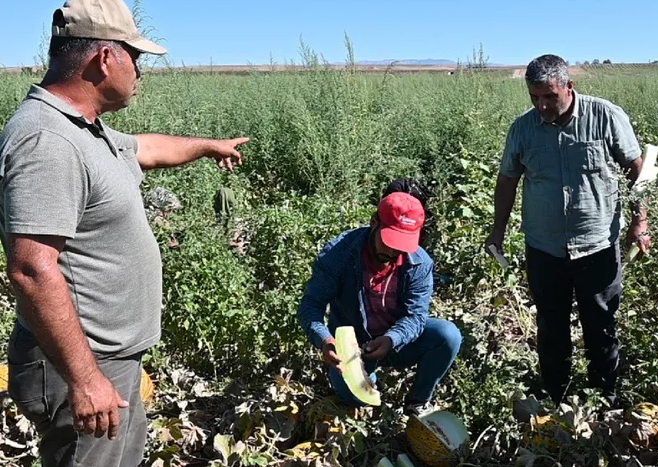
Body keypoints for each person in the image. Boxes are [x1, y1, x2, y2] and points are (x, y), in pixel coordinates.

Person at [0, 1, 249, 466]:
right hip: (82, 362)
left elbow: (148, 148)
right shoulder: (47, 140)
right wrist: (85, 378)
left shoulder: (85, 130)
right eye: (135, 58)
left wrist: (207, 146)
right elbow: (32, 269)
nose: (140, 72)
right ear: (104, 58)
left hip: (109, 358)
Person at [484, 54, 651, 406]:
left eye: (550, 97)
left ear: (569, 87)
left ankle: (605, 400)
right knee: (551, 328)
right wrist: (497, 230)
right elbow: (507, 180)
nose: (542, 105)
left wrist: (640, 222)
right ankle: (556, 398)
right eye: (534, 97)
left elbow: (639, 172)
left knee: (601, 326)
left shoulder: (605, 116)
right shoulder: (523, 129)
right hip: (544, 248)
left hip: (598, 245)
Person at [298, 192, 462, 415]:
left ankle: (418, 402)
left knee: (448, 335)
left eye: (402, 245)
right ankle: (367, 386)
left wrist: (391, 339)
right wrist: (324, 340)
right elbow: (311, 306)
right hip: (352, 348)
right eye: (389, 241)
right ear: (374, 222)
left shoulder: (420, 263)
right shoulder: (338, 256)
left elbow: (416, 316)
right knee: (355, 398)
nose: (394, 252)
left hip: (395, 342)